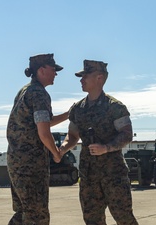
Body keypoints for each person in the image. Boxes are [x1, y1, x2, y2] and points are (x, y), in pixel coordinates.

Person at [59, 60, 138, 225]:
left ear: (100, 78)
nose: (81, 80)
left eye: (85, 76)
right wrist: (63, 148)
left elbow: (127, 134)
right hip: (88, 176)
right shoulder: (78, 109)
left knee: (124, 218)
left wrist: (106, 148)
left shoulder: (115, 107)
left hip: (113, 174)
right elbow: (72, 136)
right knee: (92, 220)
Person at [6, 53, 69, 225]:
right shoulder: (39, 94)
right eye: (53, 69)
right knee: (37, 215)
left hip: (17, 160)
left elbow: (43, 122)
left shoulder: (25, 91)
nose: (56, 73)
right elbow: (43, 132)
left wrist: (69, 114)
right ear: (42, 70)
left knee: (23, 212)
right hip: (31, 164)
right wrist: (56, 152)